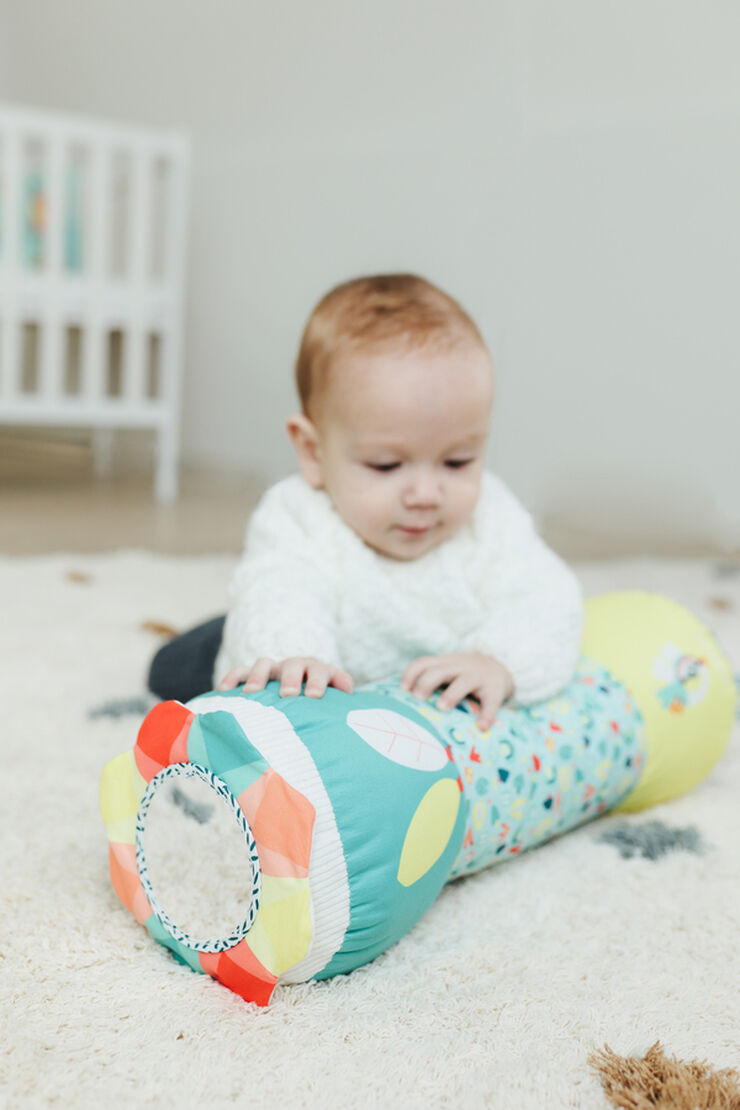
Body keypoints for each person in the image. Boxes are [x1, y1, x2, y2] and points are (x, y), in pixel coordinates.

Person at [148, 273, 583, 729]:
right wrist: (295, 655)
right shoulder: (299, 514)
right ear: (313, 452)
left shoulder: (491, 517)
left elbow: (547, 597)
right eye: (386, 466)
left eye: (456, 462)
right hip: (314, 639)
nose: (425, 495)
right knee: (179, 666)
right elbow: (281, 586)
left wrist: (496, 660)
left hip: (420, 683)